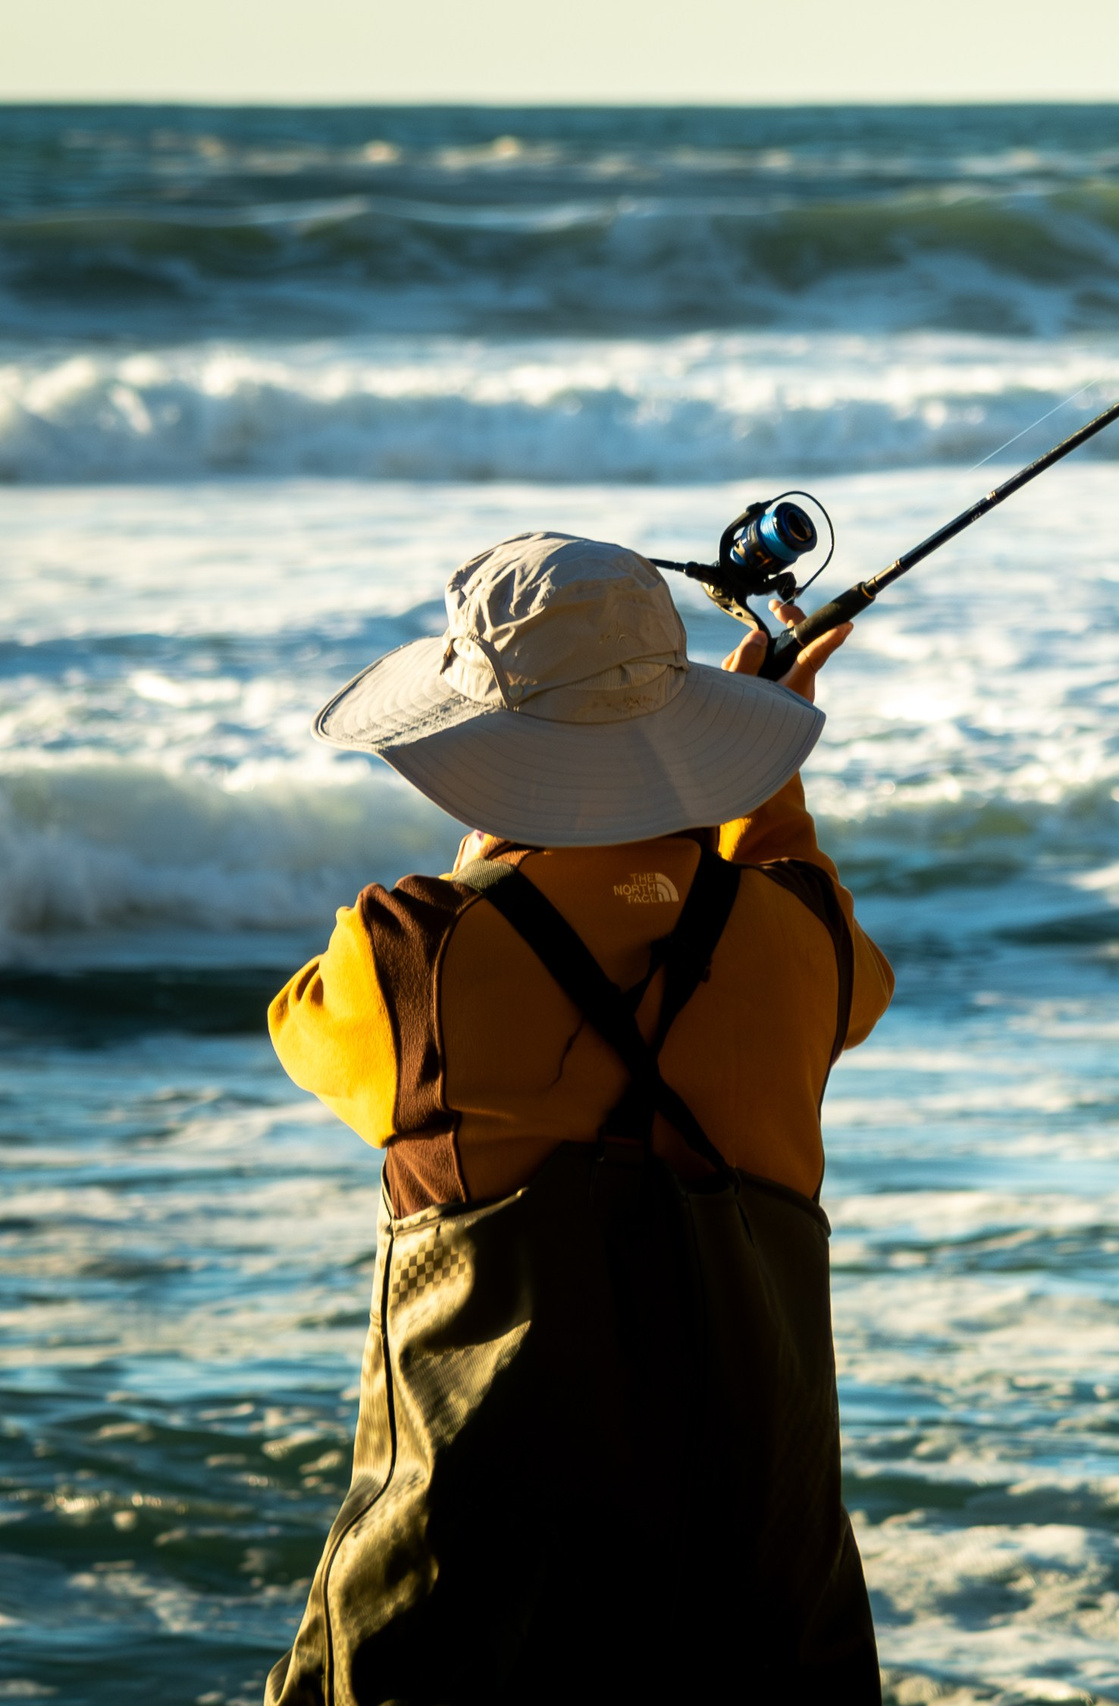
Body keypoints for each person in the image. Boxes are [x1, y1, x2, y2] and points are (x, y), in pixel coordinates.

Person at [262, 531, 893, 1704]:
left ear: (480, 753)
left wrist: (491, 855)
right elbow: (800, 888)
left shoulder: (413, 954)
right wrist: (758, 781)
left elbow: (303, 1028)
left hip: (479, 1597)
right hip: (757, 1588)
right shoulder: (805, 949)